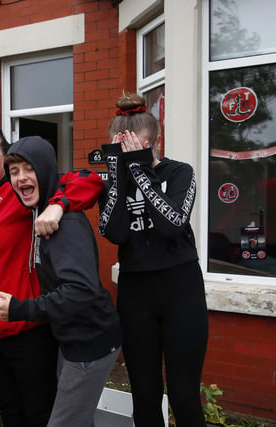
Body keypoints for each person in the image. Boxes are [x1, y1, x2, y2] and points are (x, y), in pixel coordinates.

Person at [0, 127, 104, 427]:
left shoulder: (19, 196)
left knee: (38, 414)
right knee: (10, 413)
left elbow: (92, 180)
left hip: (25, 332)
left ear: (4, 159)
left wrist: (58, 205)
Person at [98, 92, 208, 426]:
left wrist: (142, 172)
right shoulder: (116, 180)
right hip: (135, 290)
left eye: (137, 148)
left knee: (183, 394)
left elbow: (172, 223)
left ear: (153, 145)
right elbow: (112, 232)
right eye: (121, 148)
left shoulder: (179, 172)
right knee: (144, 395)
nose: (129, 154)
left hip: (180, 288)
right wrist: (119, 174)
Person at [0, 136, 122, 427]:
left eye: (29, 169)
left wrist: (20, 309)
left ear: (45, 170)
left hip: (90, 342)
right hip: (71, 340)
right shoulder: (42, 212)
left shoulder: (65, 225)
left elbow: (80, 292)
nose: (21, 178)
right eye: (14, 172)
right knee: (79, 419)